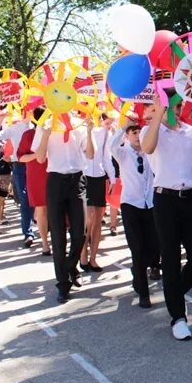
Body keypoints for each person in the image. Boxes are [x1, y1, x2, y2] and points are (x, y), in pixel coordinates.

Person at [142, 93, 192, 340]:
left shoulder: (191, 132)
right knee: (170, 258)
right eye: (171, 106)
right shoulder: (151, 130)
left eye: (179, 106)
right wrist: (158, 113)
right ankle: (178, 316)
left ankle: (174, 292)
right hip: (165, 200)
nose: (176, 110)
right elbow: (147, 148)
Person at [33, 114, 96, 303]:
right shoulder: (45, 122)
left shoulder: (79, 122)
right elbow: (39, 157)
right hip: (55, 181)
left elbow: (91, 154)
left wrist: (90, 130)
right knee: (58, 236)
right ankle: (62, 284)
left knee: (80, 233)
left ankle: (69, 267)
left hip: (77, 180)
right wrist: (45, 134)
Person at [111, 122, 157, 308]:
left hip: (150, 204)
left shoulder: (151, 151)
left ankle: (137, 271)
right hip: (131, 204)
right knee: (136, 249)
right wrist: (123, 128)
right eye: (134, 133)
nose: (138, 136)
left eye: (140, 132)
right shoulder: (123, 153)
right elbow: (112, 145)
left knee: (155, 246)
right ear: (128, 136)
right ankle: (144, 294)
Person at [0, 111, 35, 247]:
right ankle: (28, 233)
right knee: (25, 199)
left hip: (40, 165)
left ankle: (44, 226)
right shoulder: (15, 127)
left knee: (41, 198)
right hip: (20, 166)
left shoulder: (43, 125)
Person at [81, 115, 115, 272]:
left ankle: (93, 258)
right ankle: (82, 255)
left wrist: (113, 179)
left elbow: (107, 157)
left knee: (97, 218)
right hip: (83, 175)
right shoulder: (79, 128)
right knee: (87, 219)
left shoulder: (104, 132)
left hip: (99, 177)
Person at [17, 110, 50, 256]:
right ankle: (45, 243)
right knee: (41, 209)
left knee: (56, 210)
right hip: (36, 176)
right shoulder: (29, 135)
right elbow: (21, 157)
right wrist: (38, 154)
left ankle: (56, 239)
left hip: (54, 175)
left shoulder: (55, 134)